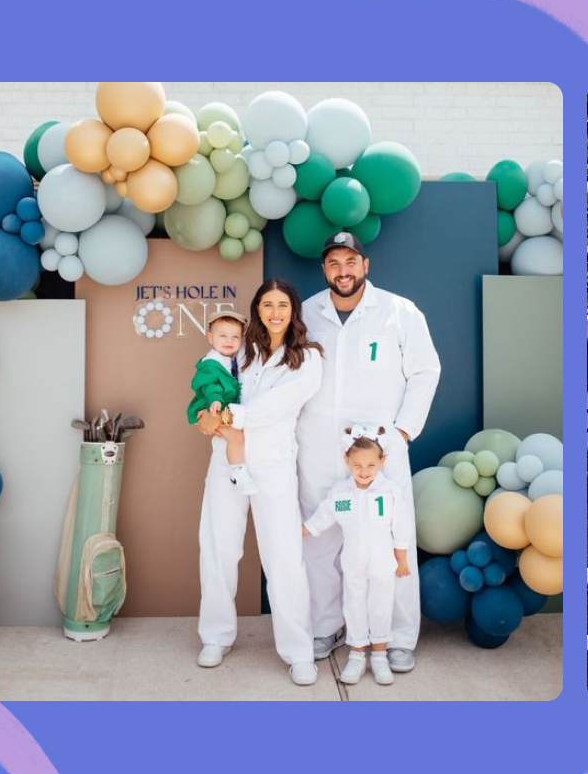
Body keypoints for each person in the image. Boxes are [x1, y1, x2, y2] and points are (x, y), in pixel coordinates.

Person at [297, 231, 441, 673]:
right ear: (325, 269)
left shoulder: (399, 312)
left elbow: (425, 371)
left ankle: (396, 638)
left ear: (366, 265)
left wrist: (402, 432)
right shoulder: (306, 313)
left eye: (350, 261)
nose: (343, 270)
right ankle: (327, 626)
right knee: (320, 541)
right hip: (320, 447)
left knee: (391, 545)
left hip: (381, 449)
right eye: (334, 263)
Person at [194, 279, 322, 686]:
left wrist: (233, 417)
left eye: (282, 304)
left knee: (284, 558)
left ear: (293, 309)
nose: (274, 311)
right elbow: (210, 381)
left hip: (274, 467)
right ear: (257, 310)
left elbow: (281, 403)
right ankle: (215, 636)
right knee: (218, 548)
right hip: (225, 462)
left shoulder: (308, 357)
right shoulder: (238, 351)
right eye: (267, 304)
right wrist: (204, 413)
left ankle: (298, 651)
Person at [302, 427, 413, 687]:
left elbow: (401, 527)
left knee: (381, 605)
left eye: (371, 465)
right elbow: (323, 517)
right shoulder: (342, 494)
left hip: (383, 564)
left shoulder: (389, 493)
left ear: (382, 462)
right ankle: (356, 653)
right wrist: (302, 530)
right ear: (347, 462)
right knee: (354, 604)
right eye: (358, 465)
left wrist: (402, 558)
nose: (364, 471)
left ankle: (379, 655)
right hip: (353, 563)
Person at [186, 311, 256, 495]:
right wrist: (214, 399)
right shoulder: (211, 363)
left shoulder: (231, 359)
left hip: (222, 409)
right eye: (222, 336)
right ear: (211, 337)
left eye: (235, 337)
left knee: (236, 437)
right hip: (211, 408)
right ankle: (238, 472)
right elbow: (209, 385)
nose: (229, 341)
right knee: (236, 437)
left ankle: (236, 469)